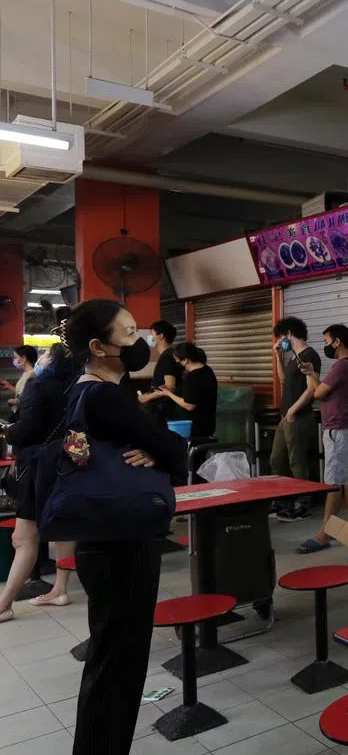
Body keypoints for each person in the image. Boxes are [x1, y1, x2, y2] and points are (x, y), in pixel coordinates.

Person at [60, 299, 187, 755]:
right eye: (129, 334)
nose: (141, 343)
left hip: (100, 539)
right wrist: (161, 453)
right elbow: (172, 447)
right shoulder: (107, 397)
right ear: (98, 346)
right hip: (124, 543)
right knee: (119, 667)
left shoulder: (78, 392)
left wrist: (148, 451)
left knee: (108, 659)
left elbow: (81, 454)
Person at [0, 344, 75, 621]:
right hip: (64, 463)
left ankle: (4, 604)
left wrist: (8, 431)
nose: (41, 358)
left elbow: (25, 431)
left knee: (22, 539)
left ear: (52, 361)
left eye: (46, 354)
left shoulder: (37, 385)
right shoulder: (73, 388)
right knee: (62, 528)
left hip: (35, 467)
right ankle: (60, 589)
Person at [296, 323, 348, 554]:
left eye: (326, 342)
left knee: (333, 482)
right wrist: (312, 374)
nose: (325, 346)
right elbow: (322, 390)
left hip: (339, 431)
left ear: (337, 342)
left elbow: (318, 394)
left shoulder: (341, 366)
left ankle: (324, 533)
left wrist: (311, 378)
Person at [271, 317, 321, 521]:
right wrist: (277, 356)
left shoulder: (310, 355)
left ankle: (303, 503)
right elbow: (283, 380)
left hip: (299, 416)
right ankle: (282, 500)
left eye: (282, 336)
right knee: (276, 459)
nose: (280, 340)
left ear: (289, 333)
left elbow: (311, 389)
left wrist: (293, 410)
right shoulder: (293, 356)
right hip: (286, 416)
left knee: (296, 461)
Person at [153, 342, 218, 440]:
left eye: (178, 361)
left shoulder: (193, 377)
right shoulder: (207, 370)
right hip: (207, 424)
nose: (178, 365)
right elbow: (194, 394)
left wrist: (168, 394)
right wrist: (173, 391)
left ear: (186, 360)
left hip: (193, 428)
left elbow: (189, 405)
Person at [137, 320, 181, 418]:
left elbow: (170, 387)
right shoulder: (168, 355)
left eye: (151, 334)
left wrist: (147, 397)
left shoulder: (167, 357)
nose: (149, 337)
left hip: (163, 410)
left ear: (161, 336)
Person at [1, 344, 37, 410]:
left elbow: (26, 399)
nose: (14, 360)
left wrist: (13, 402)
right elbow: (21, 392)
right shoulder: (26, 373)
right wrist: (9, 386)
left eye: (15, 357)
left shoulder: (31, 375)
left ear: (23, 358)